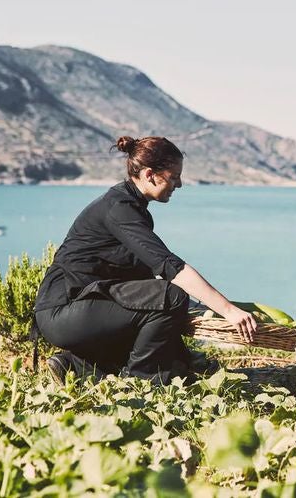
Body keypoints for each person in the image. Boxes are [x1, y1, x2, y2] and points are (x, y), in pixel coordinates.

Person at [34, 135, 257, 383]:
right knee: (172, 297)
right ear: (150, 174)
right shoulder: (119, 209)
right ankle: (140, 381)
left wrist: (199, 312)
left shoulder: (132, 208)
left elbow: (144, 281)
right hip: (64, 313)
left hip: (86, 308)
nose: (179, 184)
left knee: (172, 338)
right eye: (174, 177)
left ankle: (74, 364)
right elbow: (170, 266)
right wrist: (228, 310)